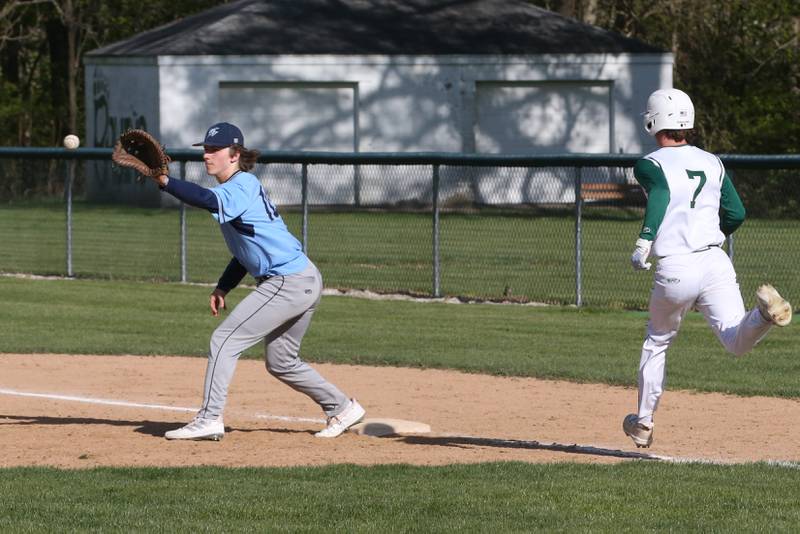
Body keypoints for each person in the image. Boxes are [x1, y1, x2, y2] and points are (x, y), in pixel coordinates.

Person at [155, 122, 365, 440]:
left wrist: (165, 181)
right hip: (302, 278)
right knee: (282, 361)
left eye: (214, 150)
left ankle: (209, 418)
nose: (207, 156)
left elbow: (205, 199)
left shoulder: (241, 186)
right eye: (205, 149)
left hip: (287, 280)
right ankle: (341, 407)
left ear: (235, 154)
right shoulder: (236, 189)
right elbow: (246, 250)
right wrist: (224, 286)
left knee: (224, 341)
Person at [623, 89, 792, 448]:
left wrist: (645, 240)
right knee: (735, 341)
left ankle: (643, 422)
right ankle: (764, 315)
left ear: (653, 121)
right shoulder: (712, 161)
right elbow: (737, 214)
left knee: (657, 340)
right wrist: (711, 236)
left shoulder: (649, 163)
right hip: (715, 260)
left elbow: (662, 196)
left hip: (676, 266)